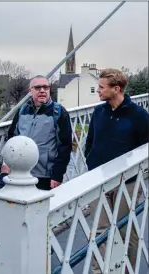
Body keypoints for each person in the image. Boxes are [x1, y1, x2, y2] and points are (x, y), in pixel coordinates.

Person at [85, 68, 149, 273]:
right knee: (99, 230)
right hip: (99, 180)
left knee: (125, 230)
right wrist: (91, 163)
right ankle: (99, 271)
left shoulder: (138, 115)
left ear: (116, 89)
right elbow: (90, 142)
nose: (98, 91)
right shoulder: (98, 112)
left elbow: (145, 148)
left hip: (127, 182)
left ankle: (129, 269)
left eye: (102, 88)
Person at [0, 75, 72, 190]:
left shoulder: (59, 112)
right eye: (38, 87)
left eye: (46, 87)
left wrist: (57, 175)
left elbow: (65, 147)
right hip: (19, 172)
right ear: (30, 91)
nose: (42, 90)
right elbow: (12, 140)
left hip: (44, 175)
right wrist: (6, 163)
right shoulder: (22, 111)